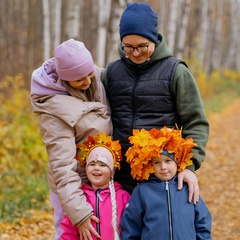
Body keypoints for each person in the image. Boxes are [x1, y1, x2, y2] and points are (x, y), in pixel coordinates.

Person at [101, 2, 209, 202]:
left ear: (154, 40)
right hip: (119, 179)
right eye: (128, 47)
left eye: (142, 47)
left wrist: (190, 166)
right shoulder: (111, 73)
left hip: (162, 177)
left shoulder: (176, 72)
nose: (135, 53)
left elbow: (196, 122)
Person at [30, 39, 112, 240]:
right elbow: (62, 165)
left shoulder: (98, 79)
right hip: (73, 189)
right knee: (70, 235)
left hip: (100, 180)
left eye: (89, 73)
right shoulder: (53, 109)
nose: (87, 81)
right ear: (65, 80)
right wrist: (79, 212)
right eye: (78, 79)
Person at [120, 127, 212, 239]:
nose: (163, 167)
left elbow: (202, 221)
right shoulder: (142, 191)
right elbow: (131, 225)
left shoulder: (187, 187)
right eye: (157, 162)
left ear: (178, 161)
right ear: (150, 165)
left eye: (168, 161)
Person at [61, 132, 131, 240]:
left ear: (112, 171)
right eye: (92, 164)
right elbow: (69, 230)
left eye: (102, 165)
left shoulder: (123, 197)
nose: (96, 168)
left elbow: (130, 228)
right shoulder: (80, 198)